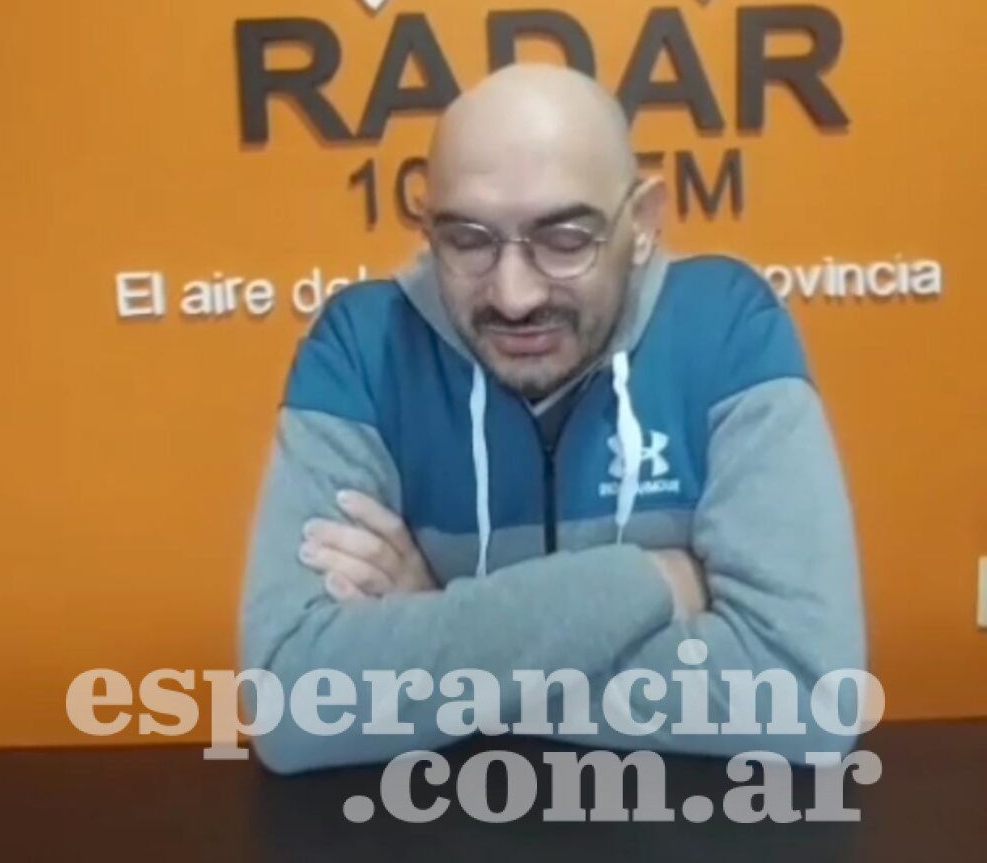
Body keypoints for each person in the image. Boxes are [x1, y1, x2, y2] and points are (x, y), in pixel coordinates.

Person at [239, 64, 867, 774]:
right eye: (467, 240)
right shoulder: (363, 347)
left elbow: (806, 698)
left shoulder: (726, 328)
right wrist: (650, 582)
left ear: (642, 223)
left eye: (565, 240)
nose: (514, 296)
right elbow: (292, 706)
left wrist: (440, 637)